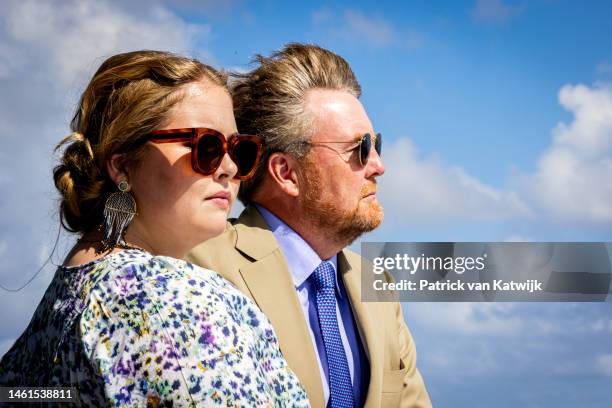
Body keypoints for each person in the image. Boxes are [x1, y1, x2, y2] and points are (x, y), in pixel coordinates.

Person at [0, 50, 309, 407]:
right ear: (123, 165)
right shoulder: (176, 298)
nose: (227, 167)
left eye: (239, 150)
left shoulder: (54, 312)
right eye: (204, 146)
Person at [188, 44, 432, 407]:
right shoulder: (199, 267)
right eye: (360, 148)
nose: (378, 165)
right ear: (286, 173)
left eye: (376, 143)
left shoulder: (377, 287)